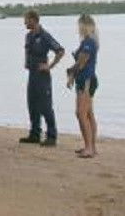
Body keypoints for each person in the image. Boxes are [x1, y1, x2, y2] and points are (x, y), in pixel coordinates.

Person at [19, 10, 65, 147]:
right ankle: (35, 134)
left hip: (42, 76)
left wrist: (50, 66)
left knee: (45, 106)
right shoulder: (28, 36)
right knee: (32, 104)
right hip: (32, 74)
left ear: (33, 19)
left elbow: (60, 51)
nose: (24, 22)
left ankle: (51, 136)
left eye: (26, 19)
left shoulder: (44, 36)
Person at [67, 14, 100, 158]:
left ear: (85, 26)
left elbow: (82, 62)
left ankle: (89, 148)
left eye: (79, 25)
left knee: (81, 113)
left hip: (87, 81)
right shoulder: (86, 42)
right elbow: (80, 62)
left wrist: (70, 73)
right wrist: (73, 74)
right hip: (83, 80)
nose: (78, 28)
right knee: (87, 113)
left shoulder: (89, 42)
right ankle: (91, 146)